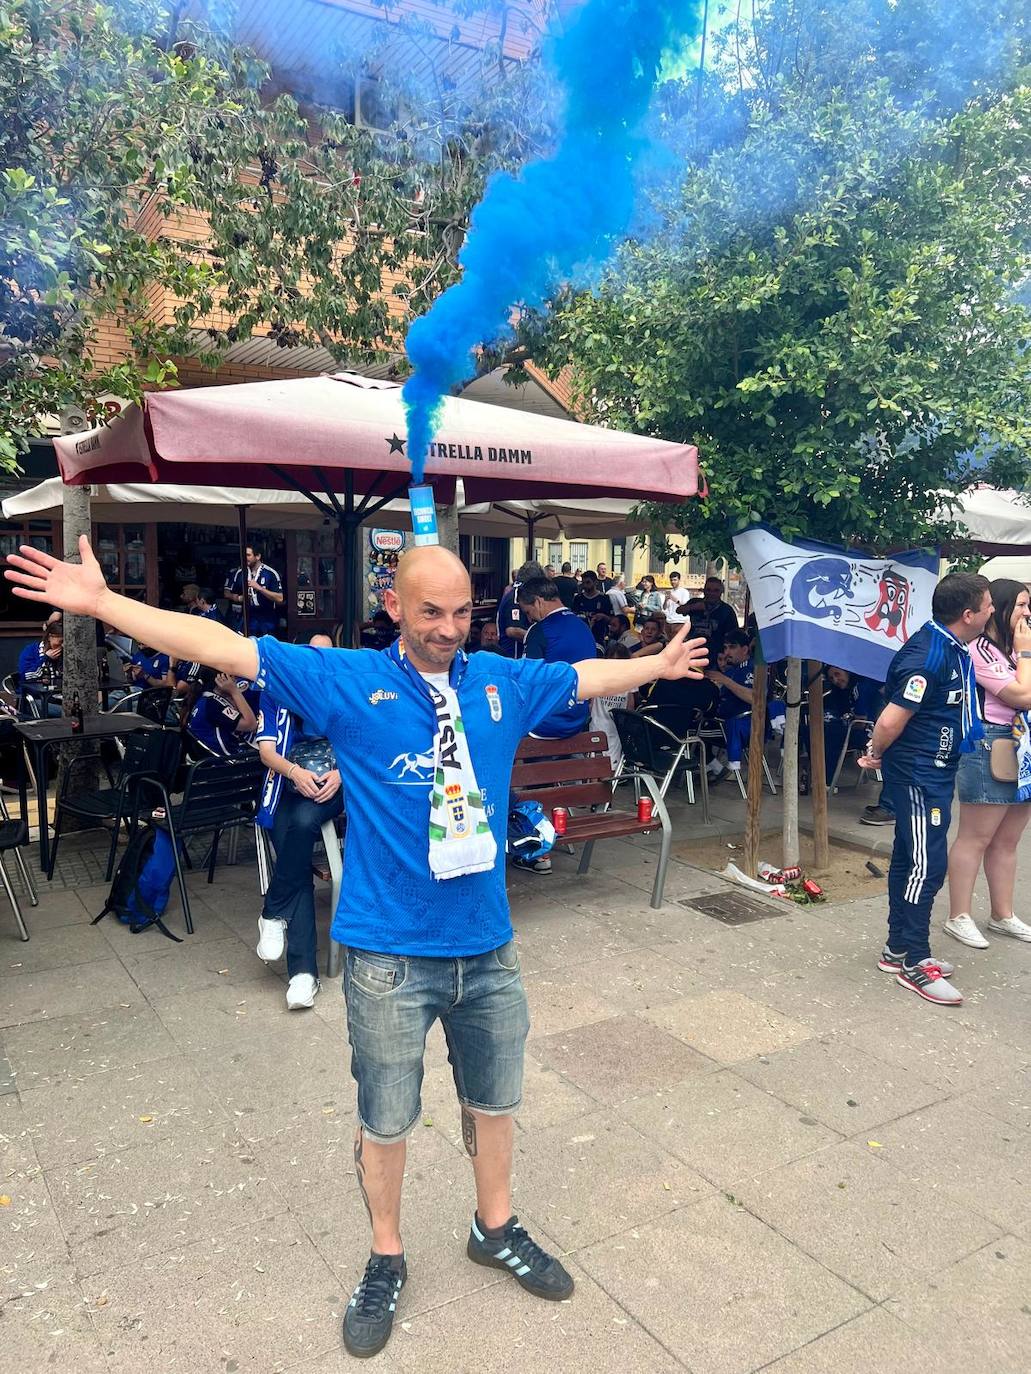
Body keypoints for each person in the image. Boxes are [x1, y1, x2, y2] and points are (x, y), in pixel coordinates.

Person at [6, 535, 708, 1361]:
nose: (449, 629)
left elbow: (586, 677)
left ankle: (495, 1226)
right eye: (431, 612)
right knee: (386, 1118)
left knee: (495, 1103)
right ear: (395, 610)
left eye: (462, 613)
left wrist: (655, 666)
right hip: (385, 955)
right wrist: (102, 605)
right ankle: (384, 1254)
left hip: (487, 949)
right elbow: (221, 646)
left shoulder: (500, 681)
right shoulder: (350, 680)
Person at [859, 572, 993, 1007]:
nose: (993, 611)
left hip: (935, 771)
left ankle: (897, 948)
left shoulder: (952, 647)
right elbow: (890, 720)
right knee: (927, 864)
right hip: (918, 774)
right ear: (968, 614)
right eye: (988, 605)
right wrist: (875, 752)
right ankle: (916, 960)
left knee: (911, 857)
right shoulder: (928, 655)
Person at [255, 633, 345, 1009]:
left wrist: (341, 773)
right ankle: (303, 976)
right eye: (313, 656)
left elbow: (362, 743)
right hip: (286, 784)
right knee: (295, 858)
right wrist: (294, 773)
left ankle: (273, 913)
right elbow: (266, 753)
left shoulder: (343, 689)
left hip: (332, 785)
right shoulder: (277, 689)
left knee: (304, 823)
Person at [944, 579, 1031, 949]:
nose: (1028, 613)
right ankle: (958, 915)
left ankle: (1003, 914)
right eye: (1023, 605)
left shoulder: (1018, 650)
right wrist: (1026, 655)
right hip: (990, 743)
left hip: (1022, 745)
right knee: (975, 837)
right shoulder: (979, 650)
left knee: (1008, 840)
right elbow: (1021, 695)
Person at [516, 578, 597, 739]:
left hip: (544, 726)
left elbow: (527, 682)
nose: (530, 618)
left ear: (538, 602)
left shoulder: (538, 631)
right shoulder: (583, 627)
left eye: (528, 612)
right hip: (578, 721)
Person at [703, 630, 756, 780]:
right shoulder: (733, 670)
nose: (727, 652)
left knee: (688, 731)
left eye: (732, 647)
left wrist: (726, 681)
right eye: (725, 648)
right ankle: (710, 767)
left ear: (745, 649)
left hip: (741, 728)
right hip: (722, 722)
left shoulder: (750, 668)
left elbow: (754, 698)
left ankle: (713, 767)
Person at [183, 669, 259, 759]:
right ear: (221, 680)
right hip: (227, 761)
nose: (235, 679)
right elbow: (251, 725)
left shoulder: (205, 697)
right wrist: (235, 691)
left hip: (210, 756)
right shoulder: (213, 705)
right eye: (232, 676)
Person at [589, 642, 638, 773]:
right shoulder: (599, 677)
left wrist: (626, 724)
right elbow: (592, 701)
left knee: (611, 767)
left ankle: (606, 789)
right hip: (597, 724)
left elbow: (630, 704)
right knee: (595, 762)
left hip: (615, 729)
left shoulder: (630, 680)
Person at [224, 544, 283, 637]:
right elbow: (227, 593)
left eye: (248, 555)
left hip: (267, 618)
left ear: (258, 556)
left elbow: (280, 598)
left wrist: (259, 588)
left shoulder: (270, 573)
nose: (245, 558)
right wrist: (238, 598)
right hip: (247, 617)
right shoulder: (240, 573)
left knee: (265, 647)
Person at [494, 558, 543, 659]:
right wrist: (540, 640)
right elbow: (513, 630)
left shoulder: (519, 592)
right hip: (513, 655)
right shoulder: (516, 597)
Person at [688, 577, 739, 655]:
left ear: (721, 592)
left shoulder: (727, 610)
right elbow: (679, 610)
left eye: (716, 590)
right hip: (693, 652)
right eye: (708, 590)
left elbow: (733, 636)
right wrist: (694, 607)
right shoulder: (695, 602)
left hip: (716, 656)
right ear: (704, 590)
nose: (711, 593)